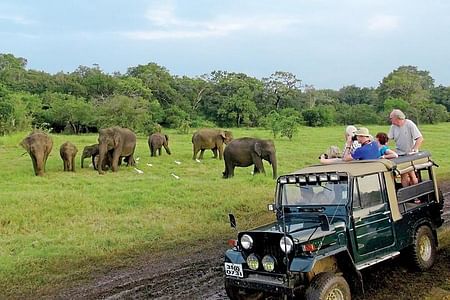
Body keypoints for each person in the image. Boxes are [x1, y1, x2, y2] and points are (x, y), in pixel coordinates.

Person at [388, 109, 423, 186]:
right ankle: (408, 195)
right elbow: (388, 139)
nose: (390, 119)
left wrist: (415, 149)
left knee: (411, 174)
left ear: (396, 117)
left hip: (410, 154)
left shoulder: (409, 124)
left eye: (391, 118)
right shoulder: (393, 127)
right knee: (404, 174)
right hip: (400, 154)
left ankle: (416, 194)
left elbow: (420, 138)